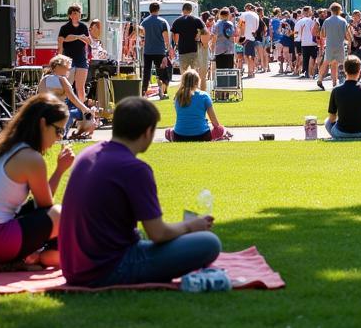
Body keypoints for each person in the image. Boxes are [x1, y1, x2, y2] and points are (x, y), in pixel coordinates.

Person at [59, 97, 222, 286]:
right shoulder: (134, 168)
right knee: (209, 243)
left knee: (146, 239)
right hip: (107, 268)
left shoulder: (87, 154)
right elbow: (158, 233)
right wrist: (190, 226)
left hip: (74, 267)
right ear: (147, 132)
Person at [0, 93, 73, 273]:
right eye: (58, 130)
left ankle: (6, 261)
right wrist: (60, 171)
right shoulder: (31, 158)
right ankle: (14, 261)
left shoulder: (0, 147)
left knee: (43, 214)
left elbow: (37, 208)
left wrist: (59, 170)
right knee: (60, 214)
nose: (59, 138)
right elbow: (47, 209)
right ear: (42, 124)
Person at [37, 54, 98, 138]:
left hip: (42, 115)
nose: (69, 69)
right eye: (67, 68)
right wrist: (86, 111)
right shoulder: (62, 80)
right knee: (82, 112)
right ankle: (69, 133)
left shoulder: (44, 79)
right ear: (59, 67)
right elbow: (73, 98)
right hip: (58, 115)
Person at [164, 68, 230, 142]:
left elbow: (185, 117)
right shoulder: (204, 96)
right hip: (202, 135)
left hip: (179, 136)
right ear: (197, 82)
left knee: (168, 131)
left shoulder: (178, 97)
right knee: (220, 129)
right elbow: (215, 123)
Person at [57, 3, 91, 102]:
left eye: (79, 13)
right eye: (75, 13)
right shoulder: (65, 28)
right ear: (70, 15)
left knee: (80, 87)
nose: (78, 15)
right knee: (67, 85)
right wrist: (78, 37)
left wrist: (82, 38)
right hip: (68, 59)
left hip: (81, 58)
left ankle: (82, 110)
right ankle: (64, 107)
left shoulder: (83, 27)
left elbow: (88, 41)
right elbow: (63, 40)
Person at [317, 2, 350, 90]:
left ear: (331, 10)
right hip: (340, 45)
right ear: (339, 10)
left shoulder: (327, 21)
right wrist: (350, 41)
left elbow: (322, 35)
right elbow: (347, 35)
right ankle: (337, 83)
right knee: (341, 63)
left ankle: (320, 79)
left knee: (327, 62)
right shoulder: (343, 21)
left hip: (330, 45)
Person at [171, 1, 205, 78]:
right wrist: (198, 35)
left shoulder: (177, 21)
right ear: (191, 10)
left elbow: (175, 35)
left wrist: (176, 44)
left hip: (182, 50)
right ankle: (195, 87)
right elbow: (204, 31)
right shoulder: (197, 20)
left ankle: (184, 86)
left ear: (183, 10)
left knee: (184, 72)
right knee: (194, 71)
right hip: (194, 49)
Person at [295, 6, 318, 78]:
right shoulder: (313, 20)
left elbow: (296, 33)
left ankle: (306, 72)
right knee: (313, 58)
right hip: (313, 42)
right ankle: (313, 72)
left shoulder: (299, 21)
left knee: (305, 58)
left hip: (303, 42)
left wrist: (296, 41)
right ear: (309, 11)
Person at [349, 9, 361, 74]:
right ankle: (354, 73)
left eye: (359, 15)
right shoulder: (350, 23)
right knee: (353, 58)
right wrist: (353, 41)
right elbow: (350, 33)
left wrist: (359, 31)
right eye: (355, 16)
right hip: (353, 42)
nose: (357, 17)